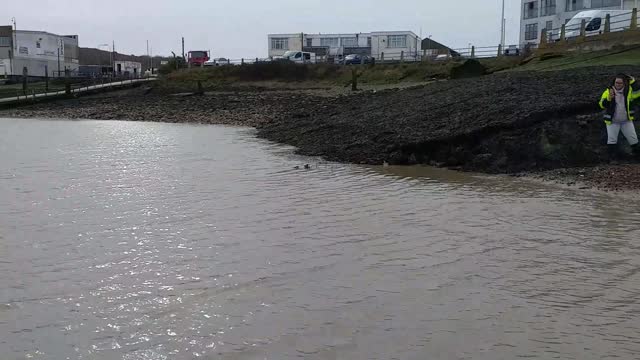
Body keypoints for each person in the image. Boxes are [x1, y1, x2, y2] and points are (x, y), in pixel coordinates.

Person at [599, 74, 640, 161]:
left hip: (626, 121)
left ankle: (637, 158)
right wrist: (609, 99)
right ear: (614, 82)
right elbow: (601, 105)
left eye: (620, 83)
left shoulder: (628, 91)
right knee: (612, 140)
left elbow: (638, 93)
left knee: (633, 139)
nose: (618, 84)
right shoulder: (608, 91)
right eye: (616, 82)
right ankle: (612, 160)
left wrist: (633, 82)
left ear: (624, 83)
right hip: (612, 121)